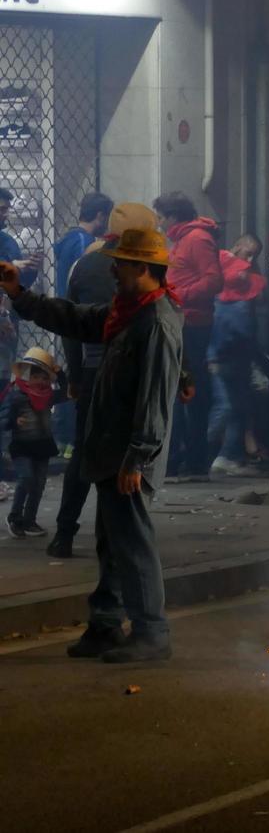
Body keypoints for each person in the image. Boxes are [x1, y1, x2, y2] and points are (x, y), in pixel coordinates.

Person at [0, 226, 183, 662]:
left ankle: (150, 633)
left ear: (143, 267)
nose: (113, 268)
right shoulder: (128, 312)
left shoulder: (154, 322)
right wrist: (19, 294)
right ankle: (105, 624)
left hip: (130, 456)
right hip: (114, 451)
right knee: (113, 541)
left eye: (120, 262)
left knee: (133, 544)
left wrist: (137, 458)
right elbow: (76, 318)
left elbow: (154, 400)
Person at [48, 202, 161, 558]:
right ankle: (120, 536)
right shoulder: (148, 265)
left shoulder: (84, 263)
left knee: (84, 450)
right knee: (130, 453)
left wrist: (76, 375)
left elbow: (71, 323)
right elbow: (164, 318)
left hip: (95, 370)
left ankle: (63, 534)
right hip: (135, 372)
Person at [154, 192, 221, 481]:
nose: (157, 223)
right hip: (182, 322)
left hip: (191, 324)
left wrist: (178, 296)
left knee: (188, 393)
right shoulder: (185, 239)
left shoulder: (196, 239)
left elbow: (213, 279)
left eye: (160, 216)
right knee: (182, 392)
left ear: (172, 215)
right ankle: (185, 460)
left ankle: (192, 460)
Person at [209, 234, 268, 477]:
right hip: (231, 357)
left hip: (218, 356)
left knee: (232, 407)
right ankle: (213, 452)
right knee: (231, 407)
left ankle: (222, 454)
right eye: (249, 252)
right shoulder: (240, 303)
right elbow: (243, 332)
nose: (251, 258)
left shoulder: (218, 289)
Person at [3, 347, 60, 538]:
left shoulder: (49, 397)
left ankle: (29, 520)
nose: (41, 382)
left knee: (38, 484)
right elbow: (3, 419)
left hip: (42, 447)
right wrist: (14, 422)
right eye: (37, 377)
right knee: (26, 479)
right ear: (29, 377)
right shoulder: (16, 395)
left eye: (45, 378)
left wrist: (61, 374)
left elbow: (68, 393)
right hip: (22, 447)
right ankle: (15, 518)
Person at [0, 188, 39, 369]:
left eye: (6, 209)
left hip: (7, 323)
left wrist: (30, 269)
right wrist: (13, 266)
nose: (5, 215)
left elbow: (20, 285)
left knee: (3, 379)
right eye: (1, 209)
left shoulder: (8, 242)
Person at [54, 192, 114, 297]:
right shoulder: (84, 242)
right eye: (107, 218)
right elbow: (86, 279)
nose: (107, 225)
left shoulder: (70, 237)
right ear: (100, 216)